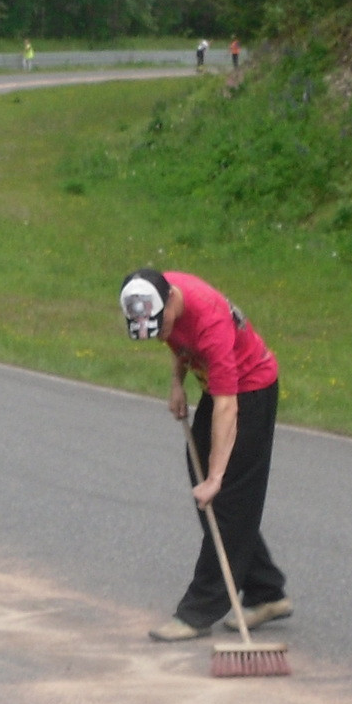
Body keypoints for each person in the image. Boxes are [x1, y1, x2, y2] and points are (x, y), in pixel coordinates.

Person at [120, 270, 292, 640]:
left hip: (249, 391)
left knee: (225, 497)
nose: (160, 334)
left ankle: (198, 612)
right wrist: (177, 384)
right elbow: (179, 343)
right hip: (216, 387)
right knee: (209, 488)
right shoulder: (159, 293)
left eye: (160, 325)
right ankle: (265, 591)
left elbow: (228, 407)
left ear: (171, 302)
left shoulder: (210, 322)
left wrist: (216, 477)